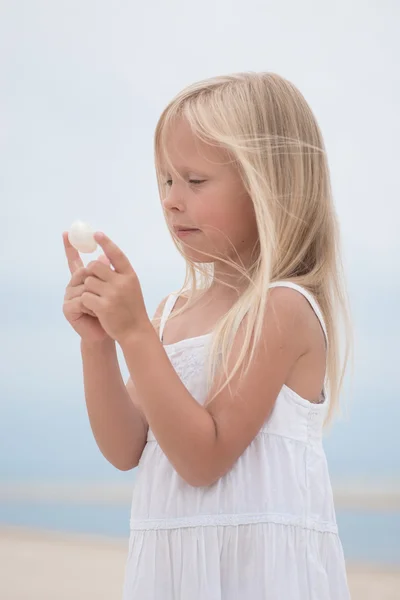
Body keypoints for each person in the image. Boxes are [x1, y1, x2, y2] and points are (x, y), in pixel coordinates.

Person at [62, 72, 352, 599]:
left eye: (194, 181)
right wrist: (101, 343)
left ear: (268, 186)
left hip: (257, 578)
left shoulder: (280, 309)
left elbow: (204, 457)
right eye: (165, 181)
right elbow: (126, 446)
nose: (172, 200)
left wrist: (135, 335)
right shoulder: (172, 313)